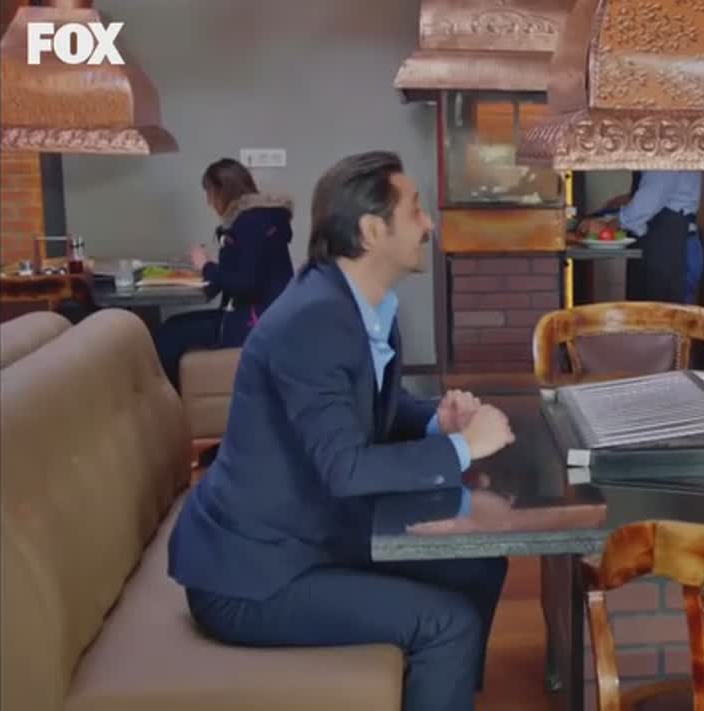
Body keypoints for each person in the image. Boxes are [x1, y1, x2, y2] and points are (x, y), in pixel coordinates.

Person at [167, 150, 517, 711]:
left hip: (313, 533)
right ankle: (442, 670)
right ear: (372, 231)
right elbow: (347, 468)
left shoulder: (359, 305)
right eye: (416, 209)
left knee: (479, 564)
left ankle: (443, 691)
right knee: (446, 623)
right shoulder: (313, 319)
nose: (429, 224)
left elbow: (370, 407)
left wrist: (436, 421)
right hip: (252, 574)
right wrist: (461, 447)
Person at [153, 158, 295, 390]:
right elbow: (244, 272)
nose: (209, 202)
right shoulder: (264, 219)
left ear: (221, 191)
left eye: (209, 194)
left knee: (169, 334)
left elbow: (244, 283)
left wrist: (206, 266)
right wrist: (213, 268)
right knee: (173, 328)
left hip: (252, 322)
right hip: (269, 316)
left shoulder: (248, 224)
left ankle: (169, 400)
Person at [586, 170, 702, 303]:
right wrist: (622, 202)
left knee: (663, 313)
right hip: (662, 246)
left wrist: (608, 226)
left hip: (673, 249)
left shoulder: (662, 159)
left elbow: (649, 199)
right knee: (646, 311)